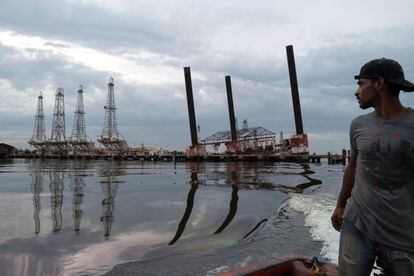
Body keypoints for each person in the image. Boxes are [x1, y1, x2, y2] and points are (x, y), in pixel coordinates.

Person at [331, 58, 414, 275]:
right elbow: (353, 167)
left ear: (379, 83)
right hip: (357, 222)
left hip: (403, 233)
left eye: (361, 84)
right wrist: (340, 205)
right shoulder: (358, 125)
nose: (356, 92)